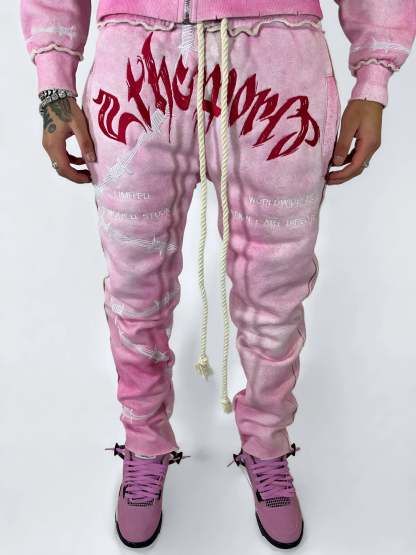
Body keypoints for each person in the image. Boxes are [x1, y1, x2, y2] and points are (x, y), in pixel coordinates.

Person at [20, 0, 416, 550]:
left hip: (279, 59)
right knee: (135, 287)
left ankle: (267, 446)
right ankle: (144, 442)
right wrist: (53, 80)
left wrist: (373, 82)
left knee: (276, 293)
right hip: (137, 58)